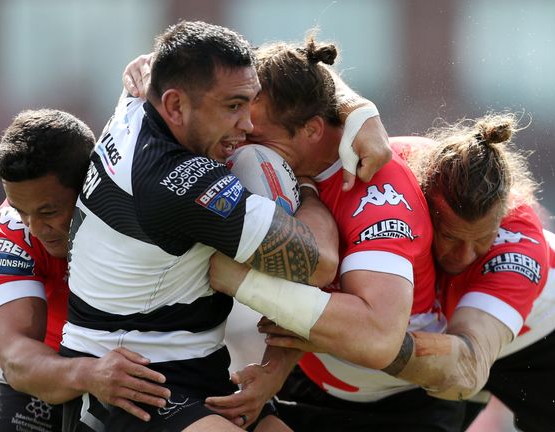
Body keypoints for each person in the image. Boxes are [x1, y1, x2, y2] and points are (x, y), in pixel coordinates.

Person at [261, 113, 555, 431]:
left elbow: (467, 366)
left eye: (482, 240)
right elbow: (301, 88)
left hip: (537, 334)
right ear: (421, 209)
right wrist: (358, 109)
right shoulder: (379, 182)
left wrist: (339, 334)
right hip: (415, 349)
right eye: (451, 237)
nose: (465, 255)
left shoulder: (518, 242)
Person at [60, 21, 348, 432]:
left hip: (192, 366)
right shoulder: (177, 182)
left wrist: (363, 114)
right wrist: (308, 187)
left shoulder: (141, 96)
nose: (247, 125)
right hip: (129, 383)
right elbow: (320, 262)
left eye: (249, 104)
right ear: (175, 106)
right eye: (233, 107)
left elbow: (152, 63)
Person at [199, 37, 467, 431]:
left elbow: (378, 335)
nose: (241, 146)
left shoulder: (375, 191)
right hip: (314, 380)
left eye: (256, 138)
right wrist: (272, 370)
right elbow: (309, 295)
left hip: (399, 404)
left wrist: (244, 282)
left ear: (311, 130)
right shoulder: (300, 168)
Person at [0, 109, 171, 431]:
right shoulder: (11, 228)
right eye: (21, 210)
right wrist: (88, 374)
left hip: (143, 373)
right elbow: (15, 357)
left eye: (48, 211)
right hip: (52, 372)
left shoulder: (139, 205)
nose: (35, 228)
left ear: (88, 184)